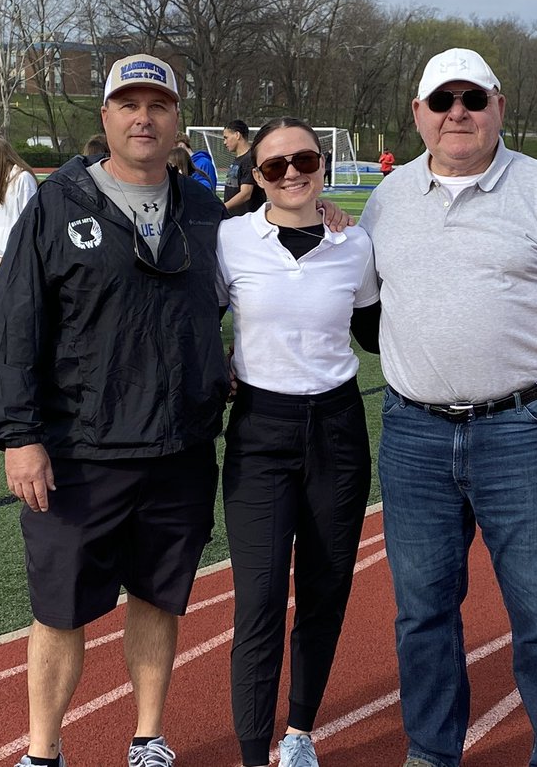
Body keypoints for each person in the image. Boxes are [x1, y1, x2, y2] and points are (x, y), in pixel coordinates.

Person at [360, 48, 537, 767]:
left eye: (472, 98)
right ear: (418, 115)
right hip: (414, 434)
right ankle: (432, 752)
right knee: (422, 615)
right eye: (441, 101)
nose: (457, 113)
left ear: (499, 106)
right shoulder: (387, 198)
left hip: (525, 429)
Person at [0, 54, 231, 767]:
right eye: (129, 104)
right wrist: (19, 436)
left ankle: (148, 736)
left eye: (158, 104)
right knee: (59, 610)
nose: (143, 117)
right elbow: (9, 328)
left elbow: (269, 288)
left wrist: (327, 217)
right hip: (79, 450)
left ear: (178, 119)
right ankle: (43, 749)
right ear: (107, 117)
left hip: (179, 447)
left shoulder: (207, 213)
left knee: (159, 598)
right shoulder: (58, 205)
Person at [216, 116, 380, 767]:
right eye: (275, 166)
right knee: (257, 601)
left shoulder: (356, 244)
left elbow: (374, 327)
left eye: (303, 160)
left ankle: (300, 733)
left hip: (337, 430)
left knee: (324, 591)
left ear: (323, 164)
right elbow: (195, 317)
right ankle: (255, 755)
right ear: (257, 177)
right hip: (260, 431)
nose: (292, 174)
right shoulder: (230, 240)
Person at [222, 120, 264, 215]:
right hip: (235, 217)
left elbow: (246, 194)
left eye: (226, 138)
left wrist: (223, 207)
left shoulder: (249, 159)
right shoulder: (239, 159)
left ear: (237, 135)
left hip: (246, 218)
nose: (224, 142)